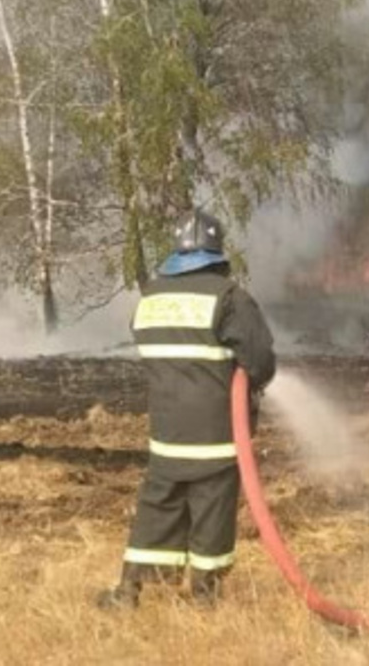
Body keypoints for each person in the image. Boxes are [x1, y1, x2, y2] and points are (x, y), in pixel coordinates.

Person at [96, 209, 276, 610]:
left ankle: (129, 591)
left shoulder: (150, 299)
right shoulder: (230, 298)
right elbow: (260, 360)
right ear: (216, 253)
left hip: (166, 433)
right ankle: (203, 596)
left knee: (158, 503)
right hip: (216, 434)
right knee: (212, 507)